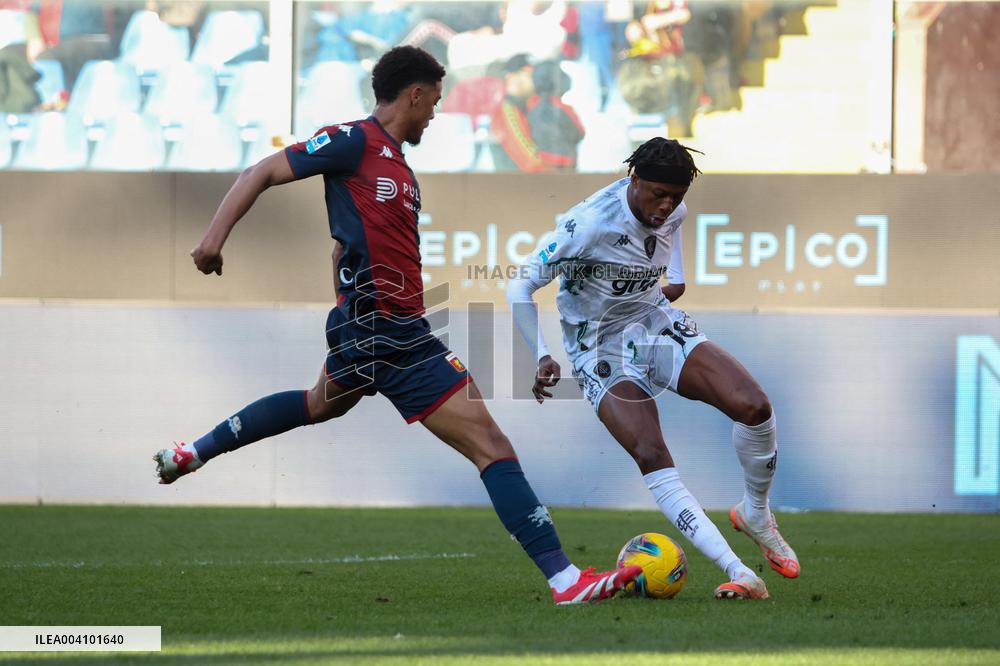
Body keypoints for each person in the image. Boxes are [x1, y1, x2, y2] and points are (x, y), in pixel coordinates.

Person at [152, 46, 640, 607]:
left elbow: (356, 233)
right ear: (414, 93)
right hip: (386, 330)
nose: (434, 112)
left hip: (386, 328)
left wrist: (346, 255)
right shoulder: (354, 141)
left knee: (321, 404)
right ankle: (564, 580)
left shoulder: (394, 162)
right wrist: (212, 240)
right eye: (434, 100)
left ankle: (194, 451)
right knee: (490, 446)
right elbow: (261, 169)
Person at [506, 137, 800, 600]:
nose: (666, 206)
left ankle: (756, 513)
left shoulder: (674, 211)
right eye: (658, 194)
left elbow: (670, 252)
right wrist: (543, 354)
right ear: (634, 180)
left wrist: (675, 281)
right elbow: (519, 287)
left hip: (653, 324)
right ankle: (739, 570)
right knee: (650, 451)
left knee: (755, 406)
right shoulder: (587, 225)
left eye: (676, 197)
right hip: (599, 346)